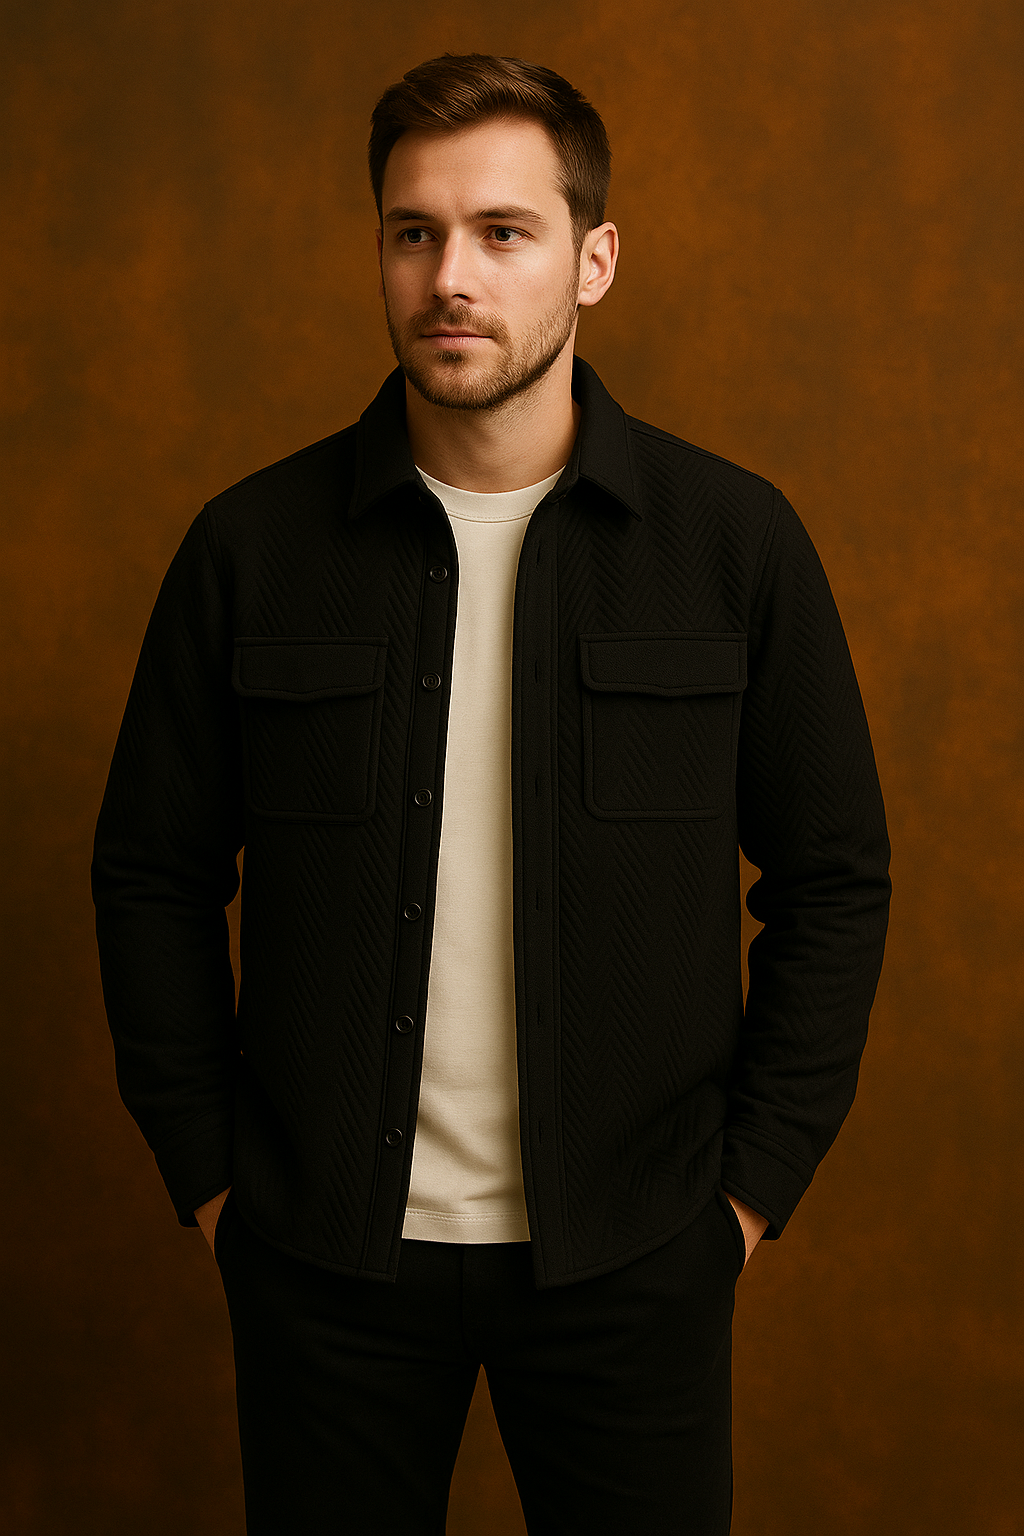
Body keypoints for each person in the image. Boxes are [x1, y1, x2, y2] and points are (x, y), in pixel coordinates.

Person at [92, 52, 890, 1536]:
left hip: (638, 1257)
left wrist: (746, 1192)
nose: (449, 276)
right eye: (415, 232)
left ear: (594, 260)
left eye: (502, 232)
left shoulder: (734, 543)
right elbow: (151, 871)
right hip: (323, 1266)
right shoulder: (251, 548)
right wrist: (210, 1178)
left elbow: (833, 878)